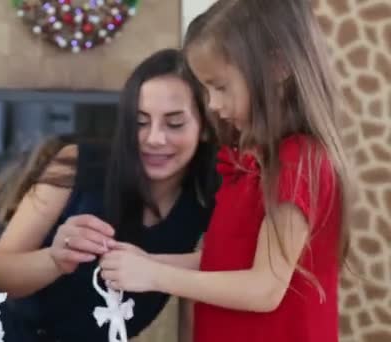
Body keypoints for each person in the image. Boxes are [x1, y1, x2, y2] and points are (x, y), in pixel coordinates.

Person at [99, 1, 351, 342]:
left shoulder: (298, 160)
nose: (213, 104)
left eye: (220, 87)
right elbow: (225, 263)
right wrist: (151, 260)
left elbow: (263, 288)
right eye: (206, 90)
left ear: (277, 65)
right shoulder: (249, 159)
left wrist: (154, 275)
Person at [0, 48, 219, 342]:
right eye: (140, 122)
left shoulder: (208, 198)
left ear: (205, 128)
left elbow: (200, 293)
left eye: (174, 123)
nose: (155, 139)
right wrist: (54, 259)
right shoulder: (75, 162)